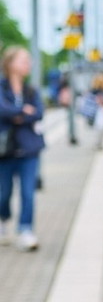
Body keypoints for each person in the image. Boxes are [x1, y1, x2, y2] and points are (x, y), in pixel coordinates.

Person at [0, 46, 46, 251]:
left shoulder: (31, 90)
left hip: (29, 149)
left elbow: (38, 113)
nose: (28, 64)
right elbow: (3, 109)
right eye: (23, 60)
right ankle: (3, 219)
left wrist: (16, 115)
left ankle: (25, 229)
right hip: (5, 150)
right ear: (9, 63)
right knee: (4, 193)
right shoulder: (1, 88)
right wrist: (22, 111)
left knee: (28, 192)